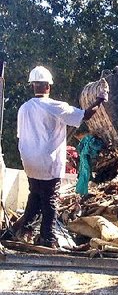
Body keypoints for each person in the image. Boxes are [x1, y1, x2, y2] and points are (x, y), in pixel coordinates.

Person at [12, 66, 107, 248]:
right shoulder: (56, 106)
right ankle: (47, 237)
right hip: (48, 162)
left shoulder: (23, 108)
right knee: (50, 199)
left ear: (33, 86)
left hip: (29, 161)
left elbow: (20, 135)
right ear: (48, 86)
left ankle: (25, 230)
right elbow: (84, 115)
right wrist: (100, 100)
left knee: (36, 195)